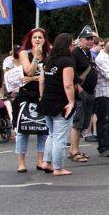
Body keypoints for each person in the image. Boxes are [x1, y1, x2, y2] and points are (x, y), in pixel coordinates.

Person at [38, 33, 76, 177]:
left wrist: (41, 96)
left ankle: (47, 163)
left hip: (47, 101)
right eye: (72, 44)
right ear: (68, 45)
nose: (73, 47)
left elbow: (42, 80)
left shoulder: (49, 59)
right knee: (60, 137)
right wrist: (71, 102)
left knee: (52, 135)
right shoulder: (67, 61)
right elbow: (68, 84)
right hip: (61, 102)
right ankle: (58, 167)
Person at [13, 29, 50, 173]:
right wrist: (36, 57)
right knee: (23, 130)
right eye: (35, 37)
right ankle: (21, 162)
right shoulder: (24, 53)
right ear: (30, 39)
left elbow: (48, 74)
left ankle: (40, 160)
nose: (37, 40)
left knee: (43, 129)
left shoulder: (49, 54)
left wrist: (34, 78)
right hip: (26, 94)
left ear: (45, 40)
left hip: (42, 94)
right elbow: (28, 71)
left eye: (40, 37)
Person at [67, 27, 99, 164]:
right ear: (80, 40)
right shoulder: (76, 53)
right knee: (78, 122)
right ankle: (73, 150)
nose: (90, 41)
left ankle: (76, 148)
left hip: (90, 91)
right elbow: (71, 71)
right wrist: (77, 86)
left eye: (92, 39)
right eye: (87, 39)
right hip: (81, 92)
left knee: (84, 122)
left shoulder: (87, 53)